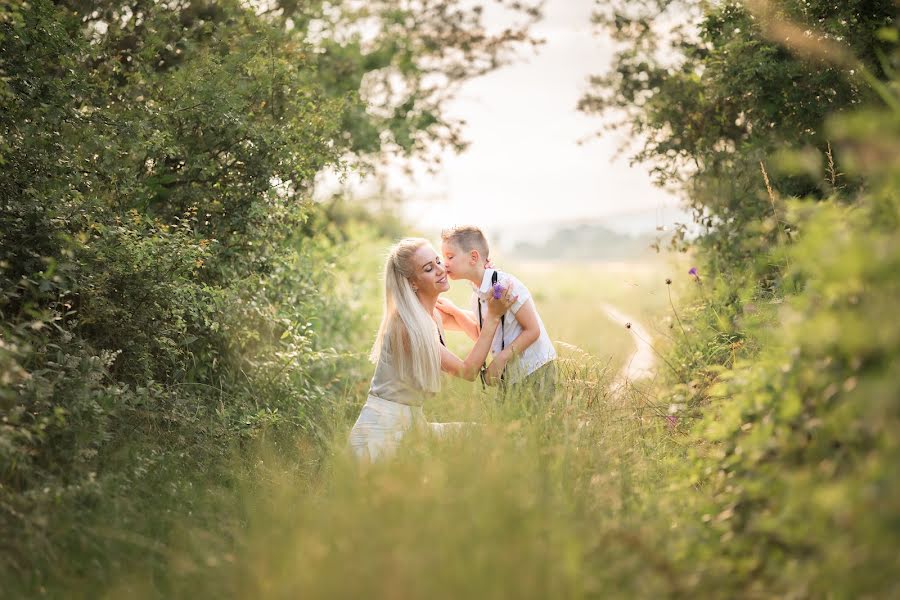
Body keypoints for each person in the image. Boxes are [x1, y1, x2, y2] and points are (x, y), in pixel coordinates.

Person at [348, 237, 516, 461]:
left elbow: (480, 332)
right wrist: (494, 316)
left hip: (412, 424)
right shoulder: (407, 325)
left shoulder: (431, 311)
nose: (440, 269)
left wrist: (482, 286)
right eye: (428, 268)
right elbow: (468, 371)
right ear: (413, 283)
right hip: (379, 435)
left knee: (483, 434)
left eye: (438, 261)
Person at [437, 225, 557, 397]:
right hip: (511, 376)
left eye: (450, 256)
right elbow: (483, 336)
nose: (444, 264)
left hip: (535, 371)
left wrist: (500, 360)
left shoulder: (505, 286)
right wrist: (455, 312)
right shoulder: (477, 296)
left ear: (473, 257)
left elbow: (533, 330)